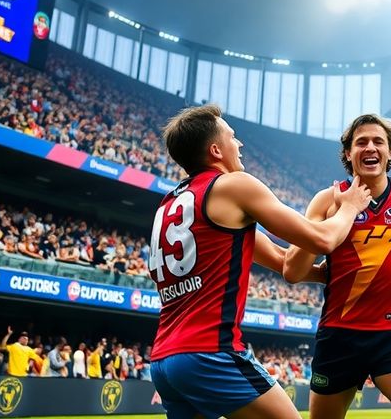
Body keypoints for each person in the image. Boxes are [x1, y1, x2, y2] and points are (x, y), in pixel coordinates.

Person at [149, 105, 372, 419]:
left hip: (164, 361)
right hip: (210, 352)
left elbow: (284, 261)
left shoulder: (171, 201)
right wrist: (349, 208)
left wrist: (324, 275)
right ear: (215, 150)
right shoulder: (234, 186)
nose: (239, 145)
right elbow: (321, 240)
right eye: (232, 137)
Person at [283, 113, 391, 419]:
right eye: (360, 142)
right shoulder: (327, 200)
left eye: (378, 141)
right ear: (348, 154)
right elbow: (292, 271)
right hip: (339, 336)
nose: (370, 147)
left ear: (390, 152)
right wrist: (335, 218)